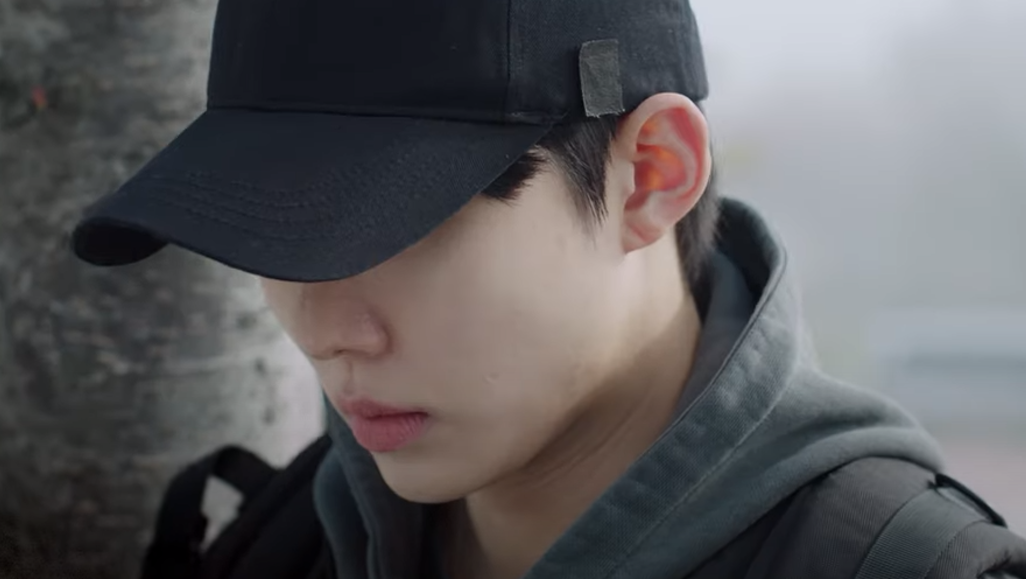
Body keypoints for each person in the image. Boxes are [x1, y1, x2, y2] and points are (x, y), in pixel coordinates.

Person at [70, 0, 1026, 578]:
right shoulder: (278, 537)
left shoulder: (900, 563)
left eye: (400, 231)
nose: (325, 331)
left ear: (650, 175)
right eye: (271, 236)